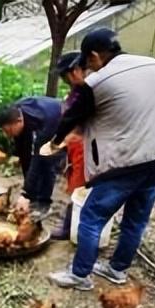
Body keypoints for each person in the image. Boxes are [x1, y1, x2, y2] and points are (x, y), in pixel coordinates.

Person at [46, 28, 155, 290]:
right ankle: (118, 270)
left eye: (88, 61)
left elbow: (72, 117)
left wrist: (55, 142)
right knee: (136, 219)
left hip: (127, 163)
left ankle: (80, 275)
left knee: (92, 217)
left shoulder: (97, 82)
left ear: (94, 55)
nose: (89, 68)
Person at [0, 97, 65, 219]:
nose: (7, 135)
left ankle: (44, 203)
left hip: (59, 120)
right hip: (41, 118)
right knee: (25, 153)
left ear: (18, 121)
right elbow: (24, 155)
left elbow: (37, 159)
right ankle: (32, 198)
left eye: (9, 130)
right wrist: (28, 192)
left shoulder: (45, 125)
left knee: (46, 162)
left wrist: (25, 194)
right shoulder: (16, 112)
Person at [51, 52, 89, 240]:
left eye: (65, 75)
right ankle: (74, 224)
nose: (65, 79)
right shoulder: (76, 91)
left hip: (84, 145)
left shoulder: (88, 89)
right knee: (75, 184)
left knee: (79, 187)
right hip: (74, 145)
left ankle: (70, 228)